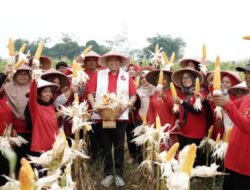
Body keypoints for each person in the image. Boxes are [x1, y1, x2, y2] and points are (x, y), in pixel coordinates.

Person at [87, 51, 137, 187]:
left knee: (119, 146)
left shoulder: (126, 76)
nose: (113, 62)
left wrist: (128, 104)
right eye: (111, 60)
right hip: (101, 116)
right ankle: (108, 173)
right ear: (107, 62)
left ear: (120, 62)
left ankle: (119, 174)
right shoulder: (99, 75)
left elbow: (133, 95)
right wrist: (95, 105)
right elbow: (90, 94)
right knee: (105, 146)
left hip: (120, 116)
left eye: (116, 60)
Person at [213, 62, 250, 190]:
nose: (247, 76)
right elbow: (231, 104)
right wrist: (217, 99)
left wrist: (227, 105)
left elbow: (247, 126)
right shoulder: (247, 97)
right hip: (233, 161)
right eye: (246, 73)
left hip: (245, 168)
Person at [171, 68, 211, 166]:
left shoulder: (200, 93)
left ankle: (197, 177)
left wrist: (181, 102)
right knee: (184, 155)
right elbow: (181, 111)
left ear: (193, 79)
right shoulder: (184, 94)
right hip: (184, 130)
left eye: (188, 77)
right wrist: (177, 120)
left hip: (195, 131)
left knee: (194, 156)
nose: (185, 80)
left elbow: (197, 111)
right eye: (183, 78)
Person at [4, 64, 32, 175]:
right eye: (20, 74)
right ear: (15, 75)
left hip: (31, 126)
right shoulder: (8, 87)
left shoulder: (34, 86)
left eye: (26, 74)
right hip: (14, 127)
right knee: (15, 155)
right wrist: (12, 128)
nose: (23, 76)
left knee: (28, 156)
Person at [146, 66, 179, 148]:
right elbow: (150, 110)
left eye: (164, 79)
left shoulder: (174, 92)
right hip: (157, 128)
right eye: (159, 79)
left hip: (170, 129)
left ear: (168, 80)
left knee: (170, 153)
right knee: (158, 151)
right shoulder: (154, 94)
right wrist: (151, 123)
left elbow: (174, 109)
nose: (162, 81)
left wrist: (164, 96)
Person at [0, 73, 12, 186]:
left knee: (5, 173)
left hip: (6, 141)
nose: (3, 86)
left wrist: (10, 130)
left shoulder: (3, 97)